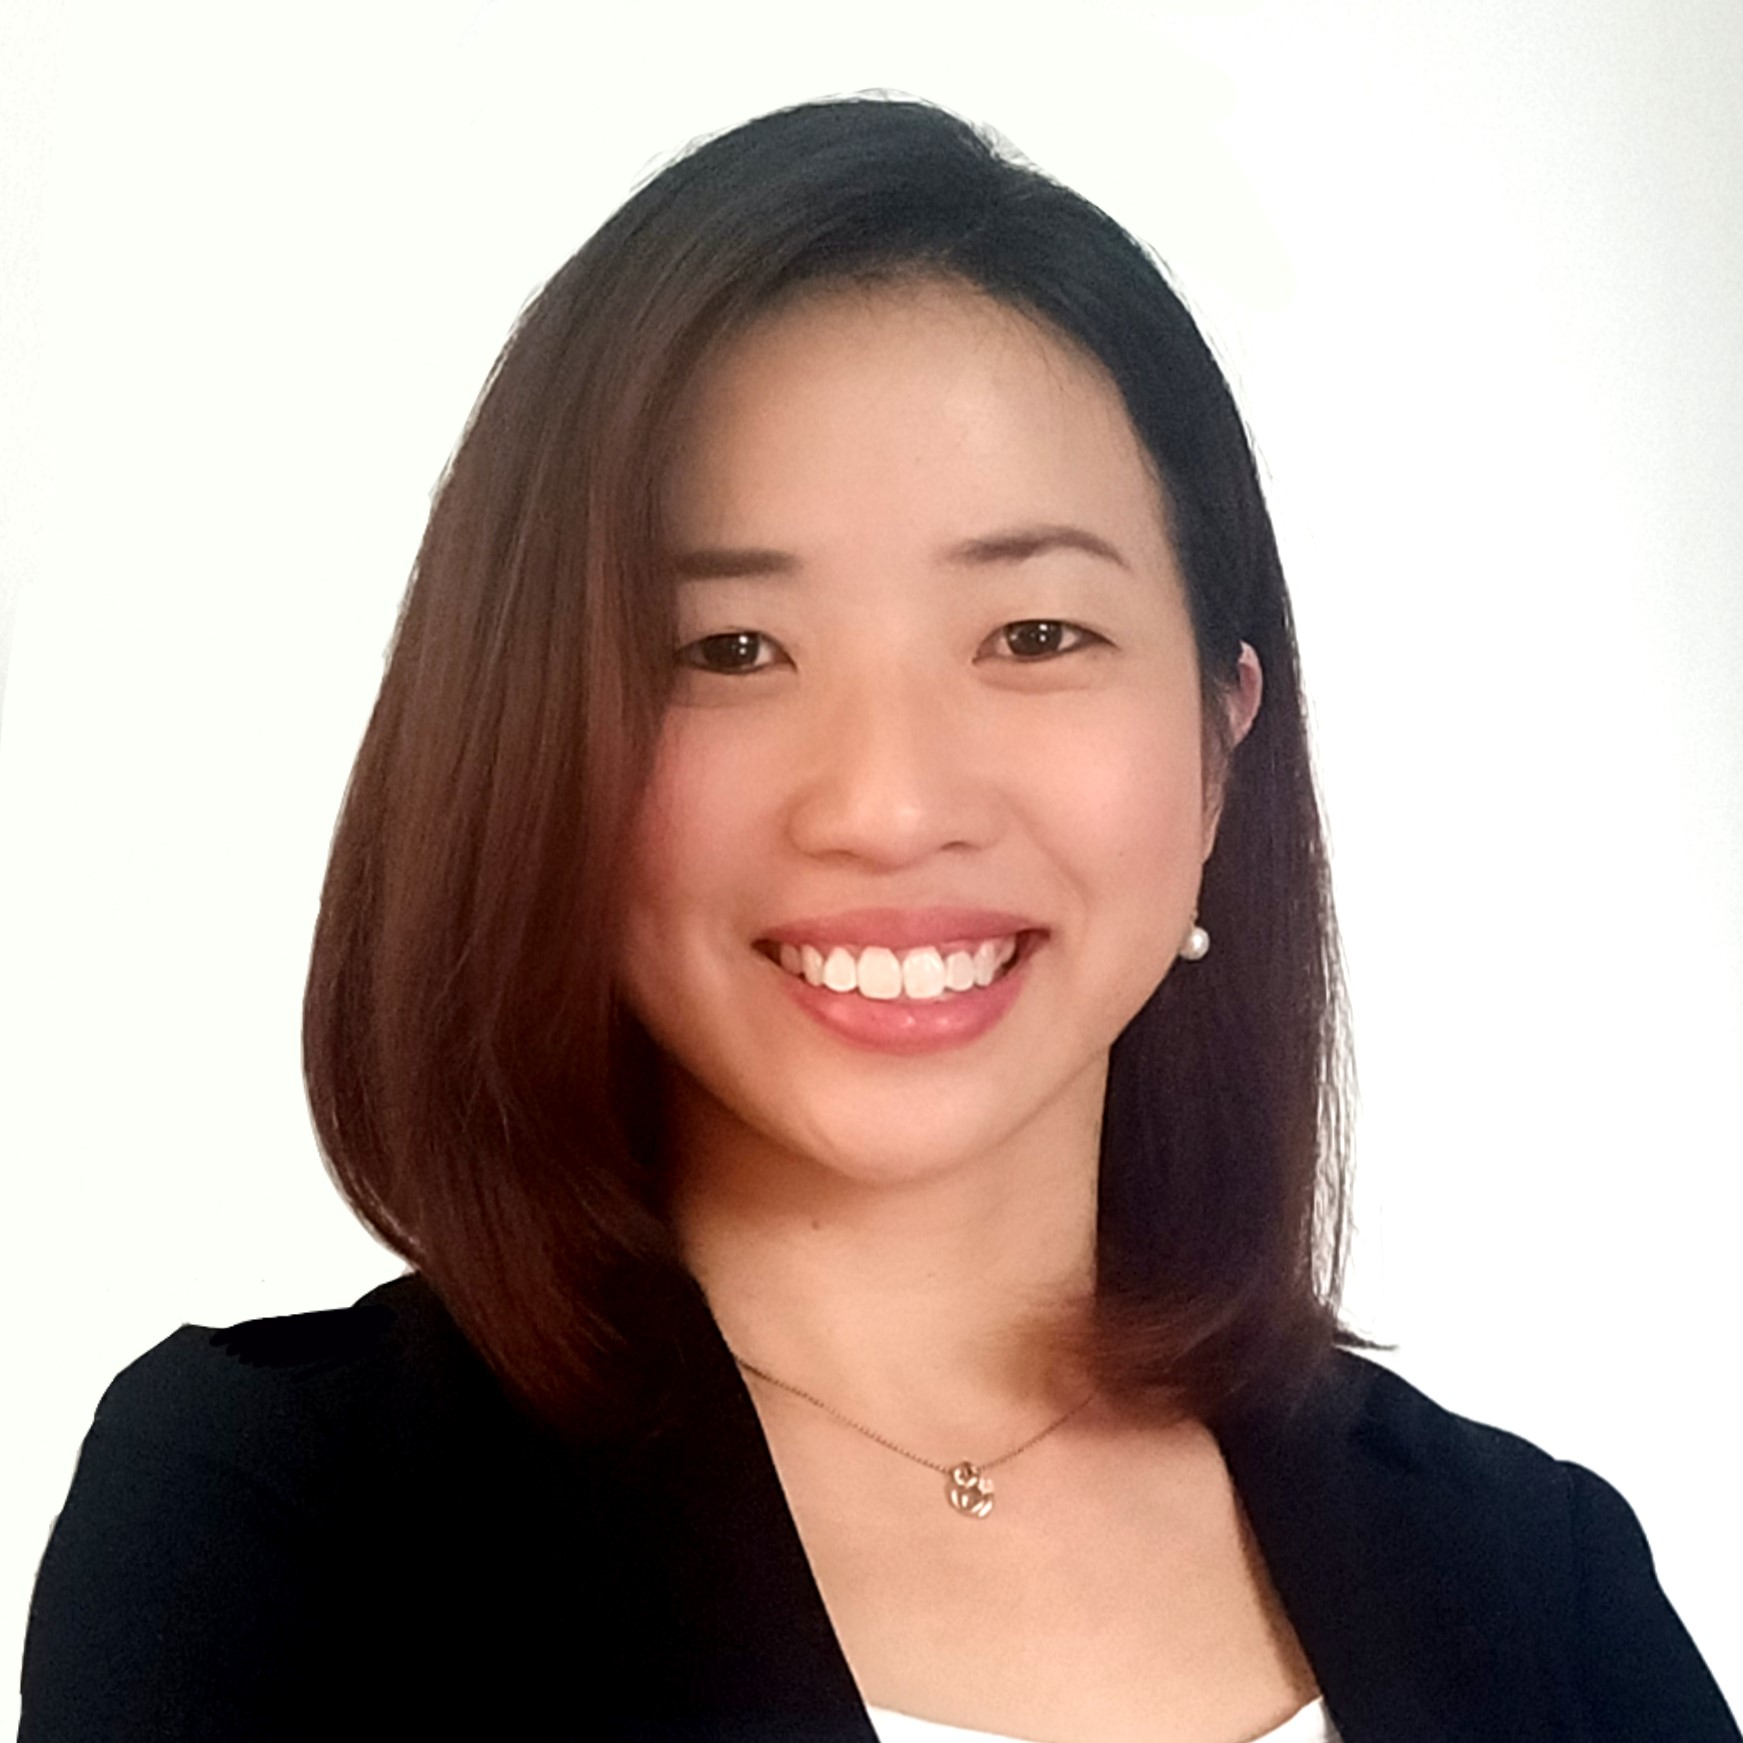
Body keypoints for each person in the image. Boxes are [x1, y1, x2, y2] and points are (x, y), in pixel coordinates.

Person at [18, 94, 1738, 1743]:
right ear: (535, 740)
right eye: (729, 651)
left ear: (1223, 741)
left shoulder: (1543, 1582)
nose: (891, 805)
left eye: (1037, 636)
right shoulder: (286, 1527)